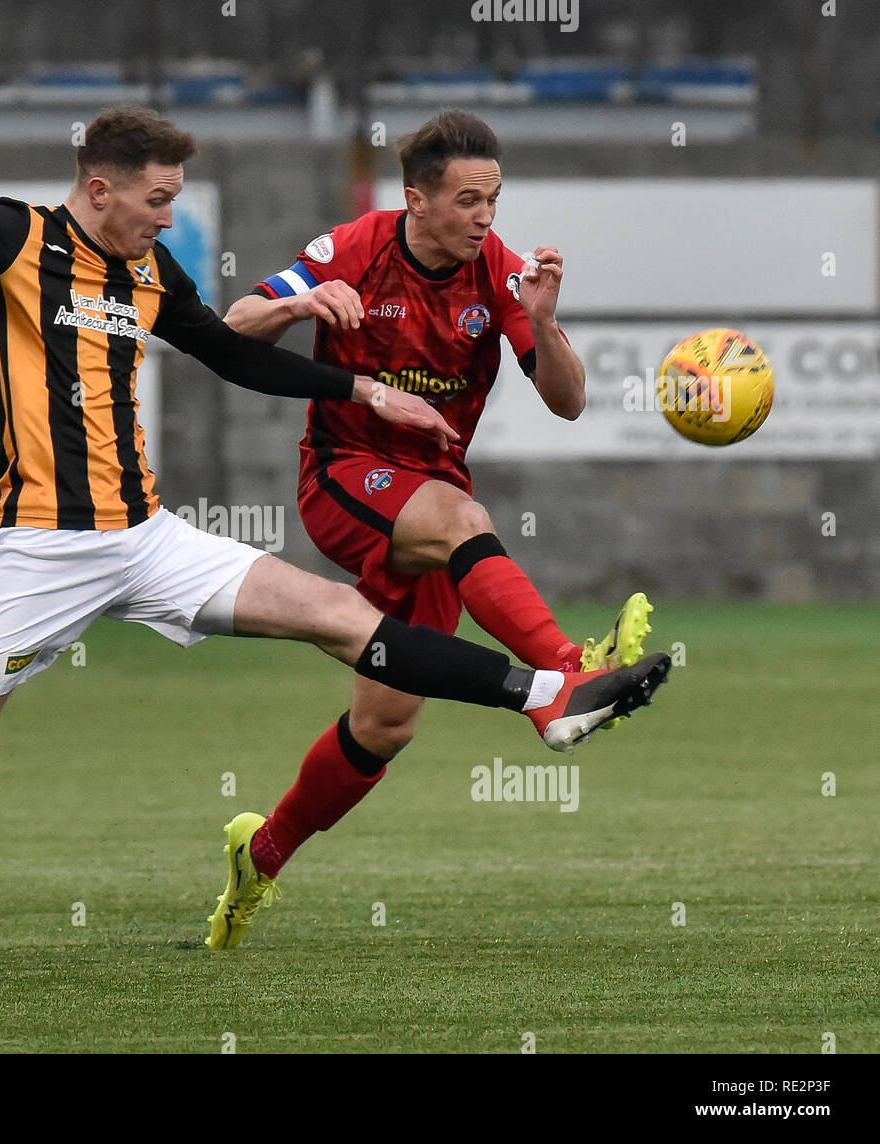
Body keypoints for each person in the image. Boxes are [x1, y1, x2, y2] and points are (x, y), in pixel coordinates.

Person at [0, 93, 670, 972]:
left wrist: (358, 385)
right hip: (37, 547)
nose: (168, 212)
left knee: (340, 614)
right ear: (99, 188)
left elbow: (231, 357)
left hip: (146, 538)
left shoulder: (151, 269)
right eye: (157, 197)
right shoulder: (12, 237)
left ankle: (546, 692)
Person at [213, 109, 656, 946]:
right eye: (468, 201)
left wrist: (547, 321)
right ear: (416, 200)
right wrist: (305, 299)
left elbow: (567, 402)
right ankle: (570, 670)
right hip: (344, 478)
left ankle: (260, 857)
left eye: (493, 198)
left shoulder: (500, 274)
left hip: (430, 496)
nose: (486, 217)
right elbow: (230, 327)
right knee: (464, 520)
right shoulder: (351, 247)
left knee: (385, 724)